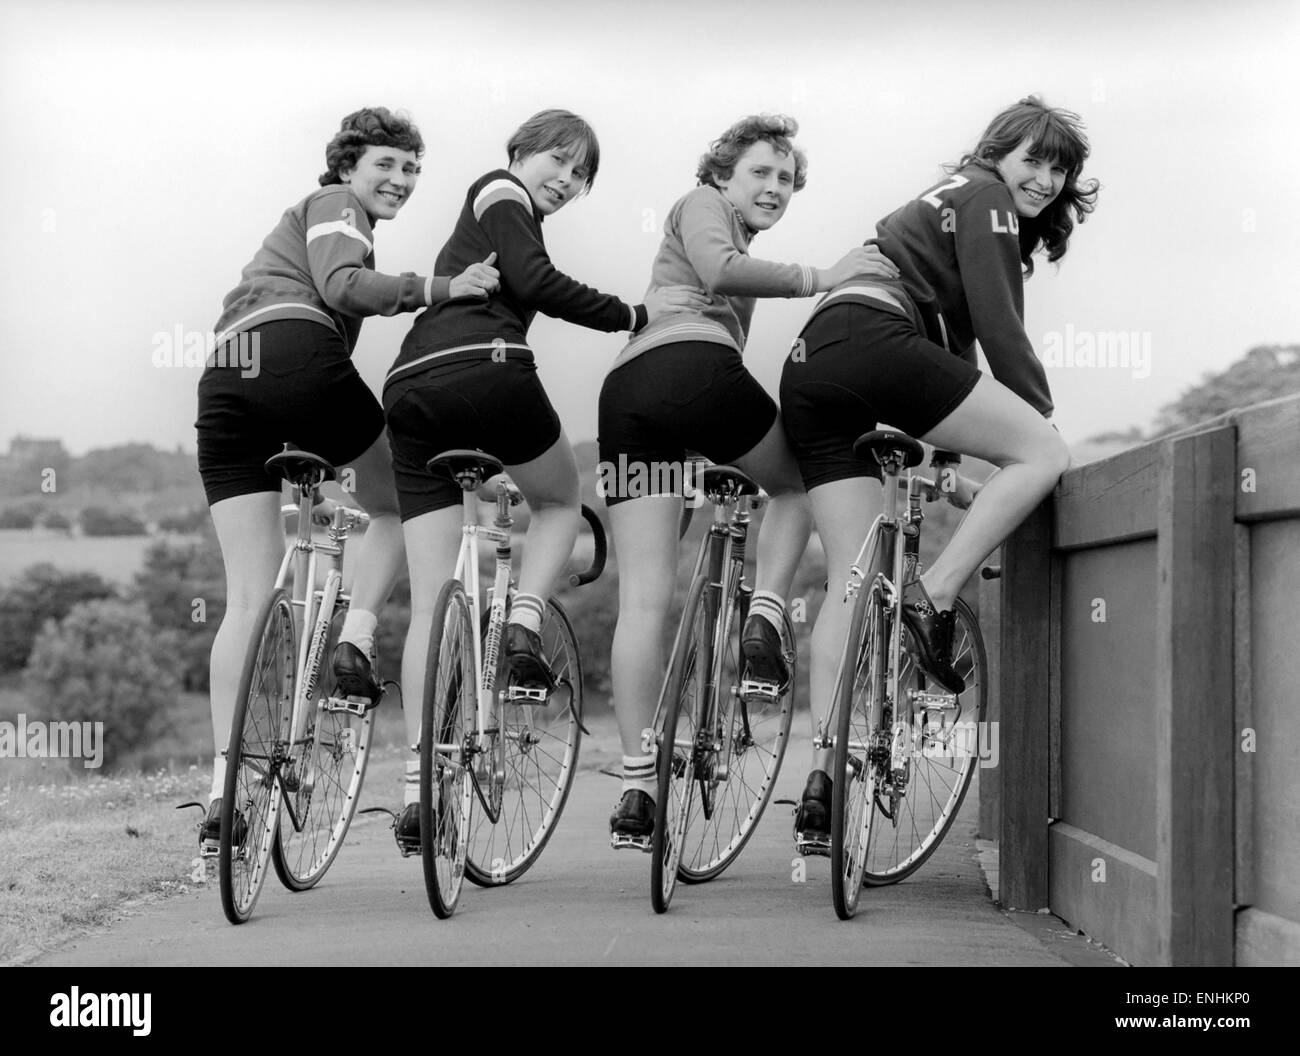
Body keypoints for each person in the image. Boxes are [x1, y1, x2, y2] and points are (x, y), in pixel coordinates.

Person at [382, 108, 707, 853]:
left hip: (408, 391)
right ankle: (523, 622)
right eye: (557, 160)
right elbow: (534, 280)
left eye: (581, 173)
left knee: (433, 601)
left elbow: (518, 275)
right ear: (520, 153)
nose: (567, 179)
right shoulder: (501, 191)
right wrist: (629, 312)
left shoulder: (501, 207)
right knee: (560, 501)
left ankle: (413, 789)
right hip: (487, 372)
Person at [779, 95, 1099, 842]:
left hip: (814, 360)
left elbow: (953, 360)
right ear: (997, 153)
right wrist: (1036, 420)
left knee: (850, 582)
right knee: (1042, 456)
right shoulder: (985, 195)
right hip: (876, 337)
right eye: (1035, 159)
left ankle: (822, 775)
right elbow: (997, 324)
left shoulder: (945, 203)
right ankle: (934, 593)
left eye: (1061, 168)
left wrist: (951, 459)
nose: (1047, 179)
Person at [194, 107, 499, 851]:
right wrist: (444, 287)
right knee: (402, 498)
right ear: (346, 166)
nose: (400, 180)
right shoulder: (335, 207)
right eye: (386, 166)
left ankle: (221, 793)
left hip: (227, 381)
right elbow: (343, 283)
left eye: (411, 171)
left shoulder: (302, 228)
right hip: (296, 352)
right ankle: (353, 642)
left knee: (245, 598)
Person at [598, 114, 899, 845]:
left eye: (787, 179)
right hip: (691, 369)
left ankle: (638, 790)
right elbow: (717, 271)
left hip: (630, 397)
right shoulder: (702, 207)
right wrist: (825, 277)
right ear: (721, 176)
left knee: (642, 598)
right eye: (761, 172)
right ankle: (767, 612)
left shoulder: (729, 237)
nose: (775, 187)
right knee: (799, 481)